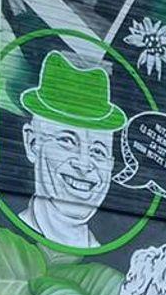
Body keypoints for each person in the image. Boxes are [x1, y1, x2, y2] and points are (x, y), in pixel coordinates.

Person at [14, 51, 126, 250]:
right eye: (67, 141)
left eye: (98, 151)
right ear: (32, 143)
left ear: (111, 164)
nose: (84, 164)